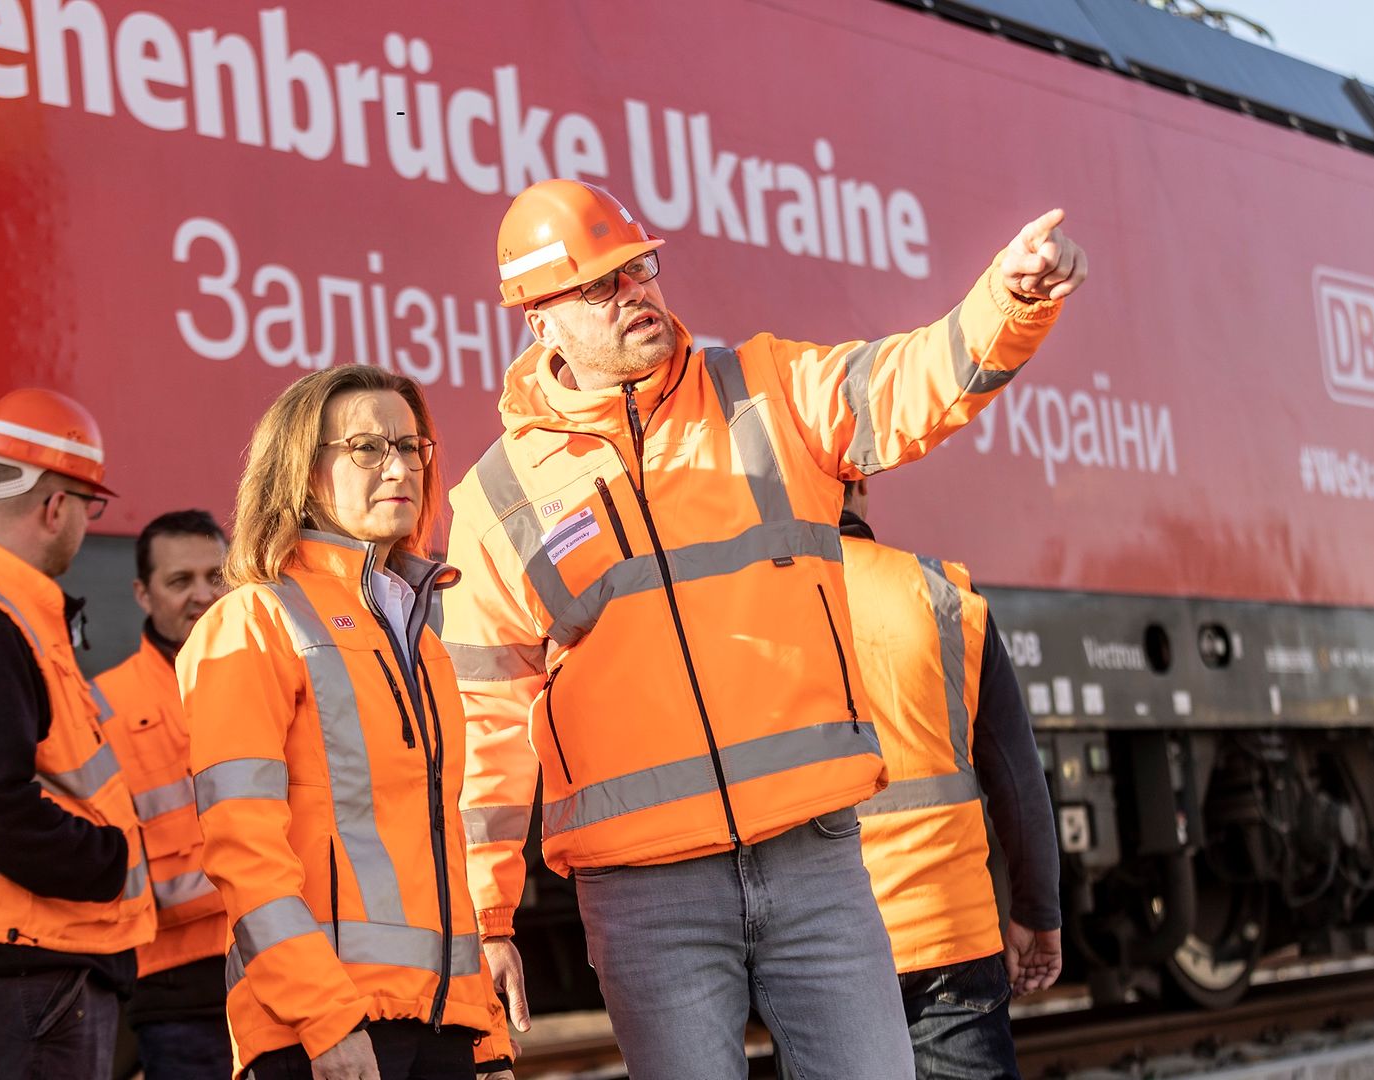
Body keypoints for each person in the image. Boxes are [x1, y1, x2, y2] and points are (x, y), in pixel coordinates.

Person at [444, 179, 1085, 1078]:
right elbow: (487, 723)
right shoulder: (497, 497)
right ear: (537, 319)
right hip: (644, 891)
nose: (637, 293)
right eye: (602, 286)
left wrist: (1009, 302)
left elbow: (908, 382)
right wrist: (485, 918)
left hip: (812, 858)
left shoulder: (766, 393)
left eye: (641, 269)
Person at [180, 365, 514, 1080]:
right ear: (301, 474)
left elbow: (441, 852)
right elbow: (245, 852)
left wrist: (486, 1041)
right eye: (366, 448)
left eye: (410, 446)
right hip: (327, 1034)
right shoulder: (253, 622)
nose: (398, 467)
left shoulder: (419, 640)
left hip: (441, 1029)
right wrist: (326, 1021)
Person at [0, 389, 156, 1078]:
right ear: (56, 507)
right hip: (33, 973)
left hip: (38, 970)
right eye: (89, 507)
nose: (84, 523)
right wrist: (110, 860)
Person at [841, 478, 1062, 1079]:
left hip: (824, 959)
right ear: (859, 485)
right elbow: (1017, 779)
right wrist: (1038, 914)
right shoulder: (943, 597)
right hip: (950, 940)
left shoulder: (759, 613)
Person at [95, 510, 233, 1079]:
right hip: (176, 991)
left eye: (215, 576)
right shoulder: (103, 706)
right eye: (180, 581)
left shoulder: (279, 679)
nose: (202, 595)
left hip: (287, 971)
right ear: (143, 594)